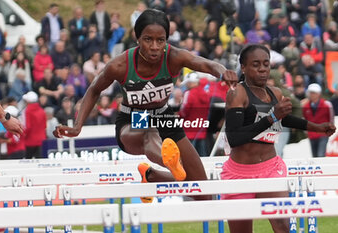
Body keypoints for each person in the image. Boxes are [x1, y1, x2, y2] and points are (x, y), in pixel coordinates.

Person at [54, 9, 238, 202]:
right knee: (150, 132)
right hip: (133, 118)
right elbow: (94, 89)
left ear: (167, 40)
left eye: (161, 40)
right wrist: (77, 126)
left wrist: (223, 71)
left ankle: (152, 176)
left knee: (202, 192)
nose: (154, 47)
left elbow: (204, 63)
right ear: (137, 39)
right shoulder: (120, 65)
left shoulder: (174, 56)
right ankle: (173, 164)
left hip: (163, 116)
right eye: (148, 39)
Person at [222, 44, 335, 233]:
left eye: (266, 64)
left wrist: (317, 127)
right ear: (243, 67)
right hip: (239, 173)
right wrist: (272, 118)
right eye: (256, 64)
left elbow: (286, 118)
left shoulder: (275, 93)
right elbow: (234, 137)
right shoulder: (237, 93)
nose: (262, 69)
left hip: (270, 169)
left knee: (283, 226)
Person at [302, 83, 334, 157]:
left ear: (318, 94)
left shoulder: (326, 104)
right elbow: (304, 119)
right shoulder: (306, 106)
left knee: (321, 155)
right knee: (315, 156)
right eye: (311, 93)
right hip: (312, 134)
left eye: (314, 93)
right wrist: (306, 131)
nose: (312, 95)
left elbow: (331, 118)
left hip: (323, 133)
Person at [21, 91, 47, 159]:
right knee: (40, 161)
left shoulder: (27, 111)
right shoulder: (42, 110)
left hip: (30, 141)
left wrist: (23, 135)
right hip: (41, 140)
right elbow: (44, 126)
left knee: (28, 162)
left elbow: (27, 127)